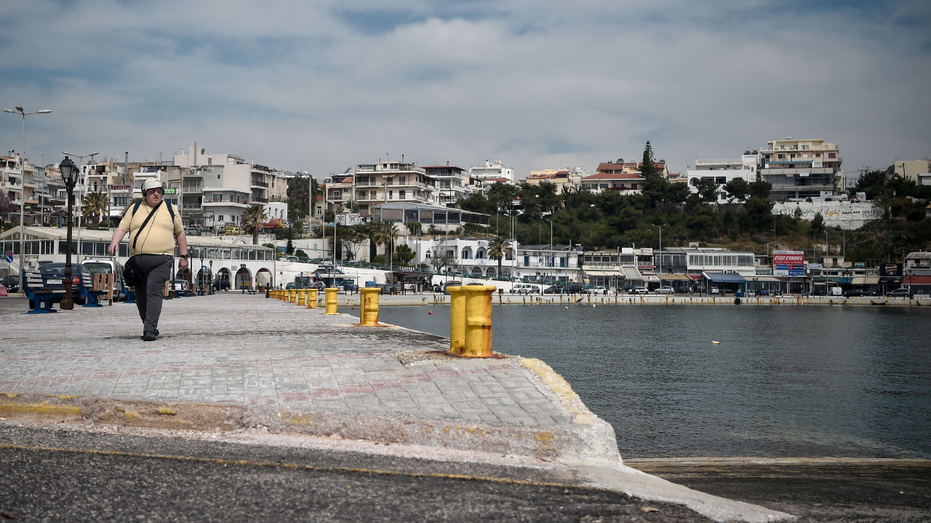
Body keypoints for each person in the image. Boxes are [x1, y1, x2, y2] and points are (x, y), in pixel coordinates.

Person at [108, 179, 188, 341]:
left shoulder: (170, 209)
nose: (156, 193)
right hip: (137, 261)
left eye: (159, 190)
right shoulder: (135, 208)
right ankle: (149, 324)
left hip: (162, 259)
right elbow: (122, 227)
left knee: (153, 292)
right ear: (145, 193)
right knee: (141, 296)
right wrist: (114, 241)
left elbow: (180, 233)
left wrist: (184, 256)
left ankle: (149, 329)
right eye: (152, 191)